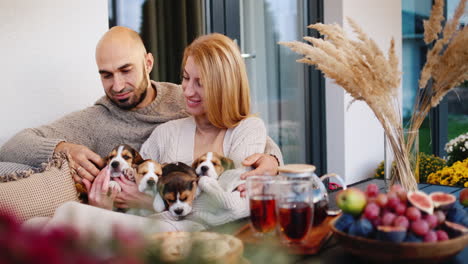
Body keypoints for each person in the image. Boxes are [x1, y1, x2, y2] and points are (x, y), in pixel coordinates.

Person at [0, 26, 282, 215]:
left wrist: (272, 161)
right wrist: (64, 148)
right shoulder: (95, 120)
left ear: (148, 63)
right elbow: (13, 147)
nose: (118, 85)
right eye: (106, 75)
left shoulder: (182, 100)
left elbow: (245, 134)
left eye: (126, 70)